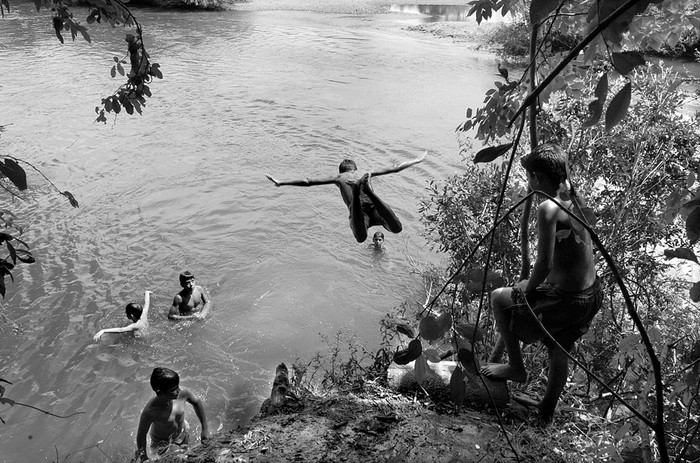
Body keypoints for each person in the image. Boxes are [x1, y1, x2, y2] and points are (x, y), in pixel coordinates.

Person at [480, 143, 603, 423]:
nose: (528, 183)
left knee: (499, 298)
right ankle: (546, 410)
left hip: (567, 299)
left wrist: (527, 288)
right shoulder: (576, 198)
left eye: (529, 177)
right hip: (589, 294)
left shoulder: (548, 207)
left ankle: (515, 367)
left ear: (536, 178)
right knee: (559, 348)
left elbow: (544, 264)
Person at [266, 152, 426, 243]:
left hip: (359, 214)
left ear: (341, 171)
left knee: (361, 238)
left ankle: (356, 194)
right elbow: (395, 168)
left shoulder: (339, 178)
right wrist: (417, 160)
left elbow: (308, 182)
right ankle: (369, 192)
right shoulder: (365, 173)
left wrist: (281, 182)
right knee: (397, 228)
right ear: (355, 169)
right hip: (376, 209)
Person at [135, 367, 211, 462]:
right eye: (173, 389)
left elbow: (197, 402)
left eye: (177, 386)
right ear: (159, 392)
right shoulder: (150, 411)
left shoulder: (183, 394)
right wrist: (144, 458)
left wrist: (205, 429)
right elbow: (141, 435)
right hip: (160, 442)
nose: (179, 390)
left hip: (181, 433)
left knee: (184, 455)